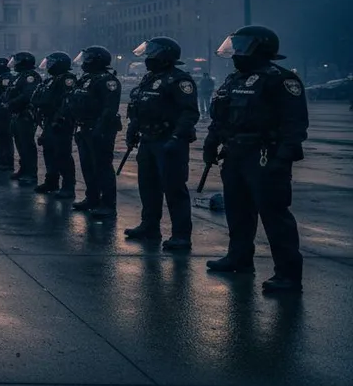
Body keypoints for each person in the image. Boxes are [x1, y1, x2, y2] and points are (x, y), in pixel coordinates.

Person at [204, 26, 308, 294]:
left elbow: (295, 124)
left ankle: (287, 274)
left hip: (265, 155)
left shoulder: (280, 80)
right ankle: (239, 258)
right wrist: (211, 141)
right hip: (236, 153)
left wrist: (282, 157)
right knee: (237, 211)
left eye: (241, 47)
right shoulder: (235, 80)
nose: (236, 53)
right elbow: (220, 116)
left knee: (274, 216)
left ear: (259, 49)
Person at [125, 36, 199, 251]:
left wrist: (177, 138)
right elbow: (139, 106)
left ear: (165, 56)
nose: (148, 58)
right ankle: (150, 226)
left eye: (152, 53)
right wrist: (133, 129)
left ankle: (181, 235)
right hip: (148, 139)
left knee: (174, 189)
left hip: (168, 140)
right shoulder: (149, 79)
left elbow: (189, 112)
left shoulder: (179, 80)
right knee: (148, 187)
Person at [65, 47, 123, 215]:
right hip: (84, 127)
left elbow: (109, 109)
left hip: (99, 129)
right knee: (87, 165)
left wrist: (100, 129)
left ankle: (108, 204)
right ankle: (92, 198)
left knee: (102, 166)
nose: (84, 62)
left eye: (87, 58)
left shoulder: (107, 81)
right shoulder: (86, 79)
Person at [33, 52, 77, 195]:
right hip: (49, 120)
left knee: (62, 154)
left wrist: (59, 118)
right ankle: (51, 182)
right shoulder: (51, 79)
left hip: (60, 122)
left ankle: (68, 186)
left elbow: (67, 101)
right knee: (49, 151)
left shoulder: (67, 79)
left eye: (51, 62)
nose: (48, 66)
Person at [5, 52, 40, 182]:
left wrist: (11, 103)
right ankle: (23, 168)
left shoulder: (31, 76)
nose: (14, 64)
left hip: (26, 114)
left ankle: (31, 173)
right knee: (20, 143)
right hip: (17, 114)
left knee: (27, 144)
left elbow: (27, 95)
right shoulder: (20, 76)